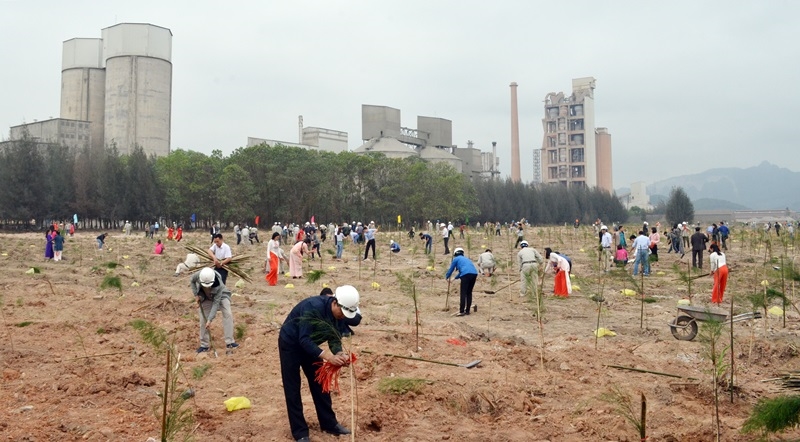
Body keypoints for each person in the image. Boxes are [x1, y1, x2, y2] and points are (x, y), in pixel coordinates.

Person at [279, 286, 360, 441]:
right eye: (342, 313)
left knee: (320, 384)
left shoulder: (339, 316)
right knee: (292, 388)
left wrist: (339, 353)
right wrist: (328, 357)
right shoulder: (313, 308)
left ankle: (329, 423)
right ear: (335, 303)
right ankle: (300, 432)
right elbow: (303, 339)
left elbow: (334, 337)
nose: (343, 316)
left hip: (311, 346)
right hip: (291, 344)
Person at [191, 267, 238, 353]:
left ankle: (230, 342)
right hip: (205, 296)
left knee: (228, 314)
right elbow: (192, 281)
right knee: (203, 319)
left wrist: (210, 319)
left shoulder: (219, 283)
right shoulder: (197, 275)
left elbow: (216, 303)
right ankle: (204, 345)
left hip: (221, 295)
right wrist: (196, 295)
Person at [445, 248, 478, 316]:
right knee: (469, 293)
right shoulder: (466, 259)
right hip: (474, 274)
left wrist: (447, 276)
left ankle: (462, 311)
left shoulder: (456, 259)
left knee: (463, 293)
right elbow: (463, 272)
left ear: (455, 254)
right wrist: (454, 278)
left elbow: (451, 269)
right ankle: (467, 311)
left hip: (465, 275)